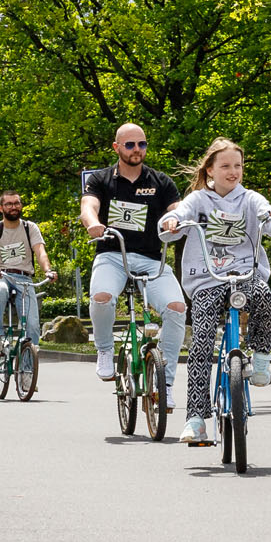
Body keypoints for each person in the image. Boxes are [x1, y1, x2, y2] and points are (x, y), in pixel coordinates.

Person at [159, 138, 271, 445]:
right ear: (210, 170)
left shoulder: (250, 199)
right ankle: (195, 418)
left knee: (266, 299)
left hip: (244, 273)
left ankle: (260, 357)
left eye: (238, 166)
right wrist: (173, 221)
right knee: (202, 337)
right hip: (207, 278)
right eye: (226, 166)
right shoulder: (197, 200)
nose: (233, 172)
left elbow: (268, 215)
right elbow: (171, 222)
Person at [80, 123, 187, 402]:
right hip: (113, 255)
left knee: (177, 308)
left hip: (153, 258)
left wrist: (177, 218)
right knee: (102, 297)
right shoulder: (101, 180)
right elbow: (88, 206)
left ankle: (165, 383)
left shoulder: (161, 181)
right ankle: (104, 350)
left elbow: (177, 207)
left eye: (142, 144)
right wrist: (93, 223)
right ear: (117, 148)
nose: (137, 150)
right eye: (130, 145)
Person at [0, 191, 58, 358]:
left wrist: (48, 270)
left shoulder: (30, 228)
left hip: (24, 278)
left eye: (16, 203)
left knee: (32, 325)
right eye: (8, 204)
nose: (13, 207)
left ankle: (28, 374)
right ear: (1, 208)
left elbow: (40, 252)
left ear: (21, 206)